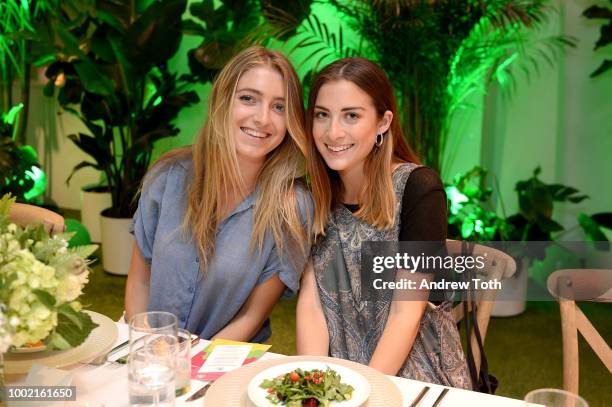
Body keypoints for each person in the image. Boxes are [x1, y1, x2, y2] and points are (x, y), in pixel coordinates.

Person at [296, 57, 470, 388]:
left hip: (414, 374)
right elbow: (312, 304)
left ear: (382, 122)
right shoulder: (313, 193)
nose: (333, 132)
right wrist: (312, 386)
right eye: (322, 115)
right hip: (339, 373)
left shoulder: (419, 188)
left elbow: (406, 314)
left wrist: (366, 390)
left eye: (351, 115)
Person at [125, 46, 313, 343]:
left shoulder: (293, 207)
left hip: (224, 364)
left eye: (279, 107)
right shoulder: (168, 175)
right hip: (151, 357)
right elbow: (139, 281)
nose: (262, 118)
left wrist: (190, 365)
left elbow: (252, 316)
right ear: (223, 101)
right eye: (248, 99)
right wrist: (146, 348)